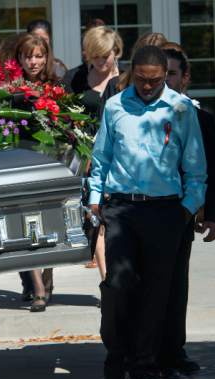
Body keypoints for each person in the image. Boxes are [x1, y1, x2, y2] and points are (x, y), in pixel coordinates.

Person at [89, 45, 207, 379]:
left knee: (155, 295)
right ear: (132, 73)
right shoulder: (115, 107)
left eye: (154, 81)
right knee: (118, 285)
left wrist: (186, 209)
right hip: (122, 209)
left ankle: (143, 369)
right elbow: (101, 158)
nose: (147, 86)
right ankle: (117, 350)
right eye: (141, 79)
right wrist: (95, 199)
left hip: (165, 211)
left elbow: (195, 168)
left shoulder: (181, 109)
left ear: (164, 76)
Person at [157, 43, 215, 379]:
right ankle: (151, 354)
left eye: (172, 74)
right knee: (153, 285)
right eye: (162, 73)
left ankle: (174, 350)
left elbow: (213, 167)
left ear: (185, 78)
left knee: (176, 283)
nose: (166, 80)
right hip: (146, 210)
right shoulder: (142, 116)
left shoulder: (201, 117)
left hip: (182, 212)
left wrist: (213, 215)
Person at [64, 26, 123, 279]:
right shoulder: (75, 78)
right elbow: (62, 115)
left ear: (116, 51)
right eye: (95, 56)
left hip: (118, 155)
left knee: (114, 217)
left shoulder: (126, 80)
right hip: (84, 156)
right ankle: (107, 279)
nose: (100, 62)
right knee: (96, 216)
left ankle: (113, 276)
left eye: (105, 56)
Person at [14, 33, 61, 312]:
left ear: (46, 57)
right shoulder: (11, 90)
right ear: (20, 58)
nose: (33, 61)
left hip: (50, 162)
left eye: (39, 56)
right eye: (28, 56)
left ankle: (48, 273)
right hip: (21, 163)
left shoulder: (56, 86)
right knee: (27, 224)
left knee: (51, 224)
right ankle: (38, 288)